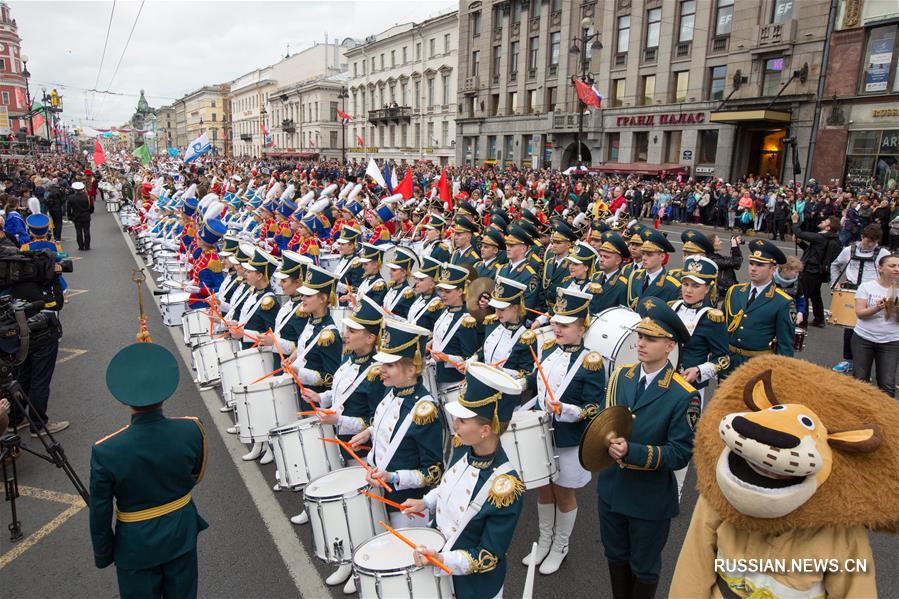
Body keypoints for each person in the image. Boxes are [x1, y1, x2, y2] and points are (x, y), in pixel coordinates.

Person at [89, 343, 208, 599]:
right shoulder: (191, 430)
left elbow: (100, 509)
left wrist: (103, 551)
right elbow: (195, 475)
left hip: (136, 543)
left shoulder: (106, 450)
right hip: (180, 530)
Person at [598, 298, 698, 599]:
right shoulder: (621, 376)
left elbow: (680, 453)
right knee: (615, 556)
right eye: (640, 336)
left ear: (669, 345)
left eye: (650, 338)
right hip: (612, 490)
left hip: (648, 498)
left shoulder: (684, 395)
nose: (640, 343)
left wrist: (633, 451)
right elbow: (607, 421)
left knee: (644, 567)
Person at [403, 362, 525, 599]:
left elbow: (488, 555)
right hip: (439, 562)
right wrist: (425, 502)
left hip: (475, 587)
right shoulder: (462, 446)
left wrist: (443, 559)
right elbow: (448, 487)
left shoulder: (506, 487)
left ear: (485, 431)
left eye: (463, 420)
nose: (455, 424)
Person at [300, 294, 386, 589]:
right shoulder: (350, 360)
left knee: (361, 512)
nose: (345, 335)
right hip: (339, 440)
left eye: (353, 331)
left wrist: (340, 422)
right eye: (346, 329)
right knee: (347, 511)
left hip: (360, 451)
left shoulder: (377, 373)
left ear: (371, 337)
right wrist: (321, 397)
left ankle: (361, 566)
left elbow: (377, 423)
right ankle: (348, 560)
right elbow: (340, 394)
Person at [520, 287, 605, 575]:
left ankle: (560, 545)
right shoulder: (546, 350)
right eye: (555, 323)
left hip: (569, 439)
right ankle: (544, 541)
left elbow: (594, 407)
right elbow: (534, 381)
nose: (556, 328)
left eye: (565, 325)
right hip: (542, 434)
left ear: (582, 328)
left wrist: (567, 410)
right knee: (543, 490)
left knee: (564, 493)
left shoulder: (591, 361)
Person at [721, 239, 795, 378]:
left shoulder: (783, 302)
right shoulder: (734, 291)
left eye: (760, 265)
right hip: (728, 362)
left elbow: (785, 345)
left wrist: (780, 375)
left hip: (757, 366)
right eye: (751, 263)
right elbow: (721, 328)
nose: (753, 268)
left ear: (773, 269)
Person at [829, 224, 890, 374]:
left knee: (872, 328)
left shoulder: (883, 253)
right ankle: (848, 360)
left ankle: (869, 365)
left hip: (874, 293)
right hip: (853, 291)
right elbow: (835, 265)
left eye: (874, 242)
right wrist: (834, 284)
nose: (871, 245)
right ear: (862, 237)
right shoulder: (849, 250)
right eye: (868, 241)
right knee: (849, 328)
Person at [851, 253, 899, 396]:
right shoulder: (866, 287)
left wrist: (895, 310)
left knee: (887, 383)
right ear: (880, 268)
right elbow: (860, 314)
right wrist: (877, 308)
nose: (897, 269)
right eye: (892, 266)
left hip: (891, 341)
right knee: (860, 379)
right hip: (863, 338)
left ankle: (887, 416)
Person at [793, 213, 841, 327]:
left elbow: (799, 232)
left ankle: (802, 321)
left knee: (803, 295)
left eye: (825, 221)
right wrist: (800, 243)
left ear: (828, 228)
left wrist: (795, 222)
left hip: (810, 270)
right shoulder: (829, 239)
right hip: (818, 271)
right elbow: (813, 253)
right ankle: (819, 319)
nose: (822, 221)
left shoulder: (821, 237)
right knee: (815, 295)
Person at [625, 229, 681, 309]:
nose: (644, 258)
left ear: (662, 257)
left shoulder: (672, 286)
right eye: (643, 253)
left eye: (649, 255)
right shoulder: (634, 275)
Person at [589, 231, 630, 312]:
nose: (601, 260)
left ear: (618, 260)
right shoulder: (595, 276)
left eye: (606, 257)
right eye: (601, 256)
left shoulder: (623, 283)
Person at [382, 246, 417, 318]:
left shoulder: (408, 294)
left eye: (394, 270)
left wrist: (392, 316)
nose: (390, 272)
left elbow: (408, 320)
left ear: (404, 273)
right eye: (391, 269)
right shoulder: (392, 286)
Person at [67, 181, 92, 251]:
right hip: (86, 215)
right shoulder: (87, 196)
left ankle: (80, 246)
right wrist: (89, 212)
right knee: (87, 231)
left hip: (76, 216)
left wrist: (69, 217)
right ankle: (87, 246)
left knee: (78, 231)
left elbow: (68, 208)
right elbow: (91, 207)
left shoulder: (71, 197)